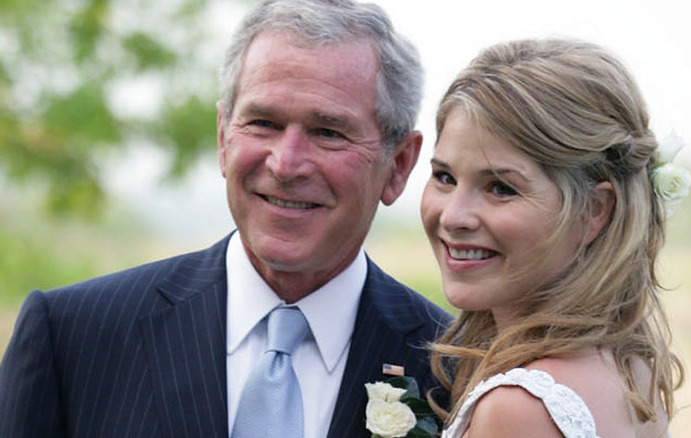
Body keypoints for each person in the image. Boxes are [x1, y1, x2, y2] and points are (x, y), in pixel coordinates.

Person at [0, 0, 452, 437]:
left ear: (398, 165)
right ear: (223, 137)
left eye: (328, 132)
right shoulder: (72, 336)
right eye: (263, 123)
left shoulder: (454, 370)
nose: (286, 164)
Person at [420, 38, 687, 437]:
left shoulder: (519, 408)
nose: (454, 216)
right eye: (445, 177)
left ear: (595, 210)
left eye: (500, 188)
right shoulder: (631, 370)